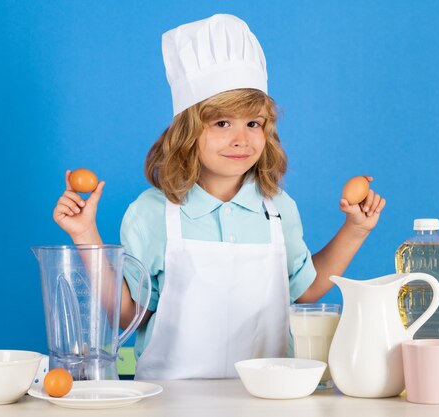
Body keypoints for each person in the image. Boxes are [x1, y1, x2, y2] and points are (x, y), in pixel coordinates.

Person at [53, 14, 386, 380]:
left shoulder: (276, 210)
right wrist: (86, 235)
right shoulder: (152, 212)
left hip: (266, 398)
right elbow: (128, 316)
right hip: (172, 401)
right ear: (187, 131)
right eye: (222, 123)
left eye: (253, 123)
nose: (241, 139)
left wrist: (356, 229)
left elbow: (305, 290)